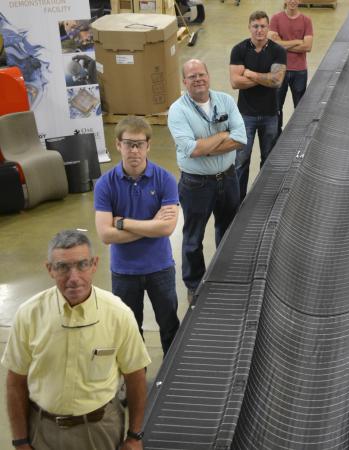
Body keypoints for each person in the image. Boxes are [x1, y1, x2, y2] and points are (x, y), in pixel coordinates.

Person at [2, 230, 151, 450]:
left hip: (99, 430)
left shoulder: (118, 314)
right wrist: (21, 441)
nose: (74, 278)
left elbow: (136, 378)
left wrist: (135, 436)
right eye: (62, 267)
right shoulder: (29, 315)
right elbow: (15, 383)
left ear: (94, 264)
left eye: (82, 265)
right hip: (43, 431)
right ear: (50, 269)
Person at [94, 116, 180, 354]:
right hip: (124, 272)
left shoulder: (165, 179)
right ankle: (135, 382)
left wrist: (123, 223)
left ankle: (173, 377)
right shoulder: (105, 184)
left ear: (148, 146)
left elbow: (167, 228)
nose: (134, 150)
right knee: (129, 331)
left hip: (160, 268)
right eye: (128, 143)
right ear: (118, 144)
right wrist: (151, 225)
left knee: (170, 326)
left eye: (139, 144)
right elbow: (105, 235)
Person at [168, 59, 247, 301]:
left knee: (228, 230)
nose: (198, 79)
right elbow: (192, 149)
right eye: (192, 76)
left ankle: (225, 274)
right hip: (196, 184)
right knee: (193, 237)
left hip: (228, 177)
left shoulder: (225, 100)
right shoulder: (178, 110)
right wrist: (223, 135)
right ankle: (194, 284)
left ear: (209, 76)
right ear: (184, 82)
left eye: (201, 74)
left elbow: (241, 138)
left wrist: (206, 146)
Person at [229, 10, 287, 200]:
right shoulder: (239, 50)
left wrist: (251, 74)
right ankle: (238, 201)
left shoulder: (278, 51)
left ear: (268, 28)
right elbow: (235, 83)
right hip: (245, 116)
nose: (259, 30)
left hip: (270, 114)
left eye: (263, 26)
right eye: (255, 26)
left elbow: (277, 82)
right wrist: (266, 77)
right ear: (249, 28)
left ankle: (265, 198)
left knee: (268, 159)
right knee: (241, 161)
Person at [268, 0, 314, 137]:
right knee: (276, 107)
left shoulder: (306, 21)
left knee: (300, 108)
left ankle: (299, 136)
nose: (292, 1)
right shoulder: (276, 19)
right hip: (279, 69)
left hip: (299, 70)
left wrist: (282, 43)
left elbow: (308, 47)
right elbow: (272, 45)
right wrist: (297, 41)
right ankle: (276, 136)